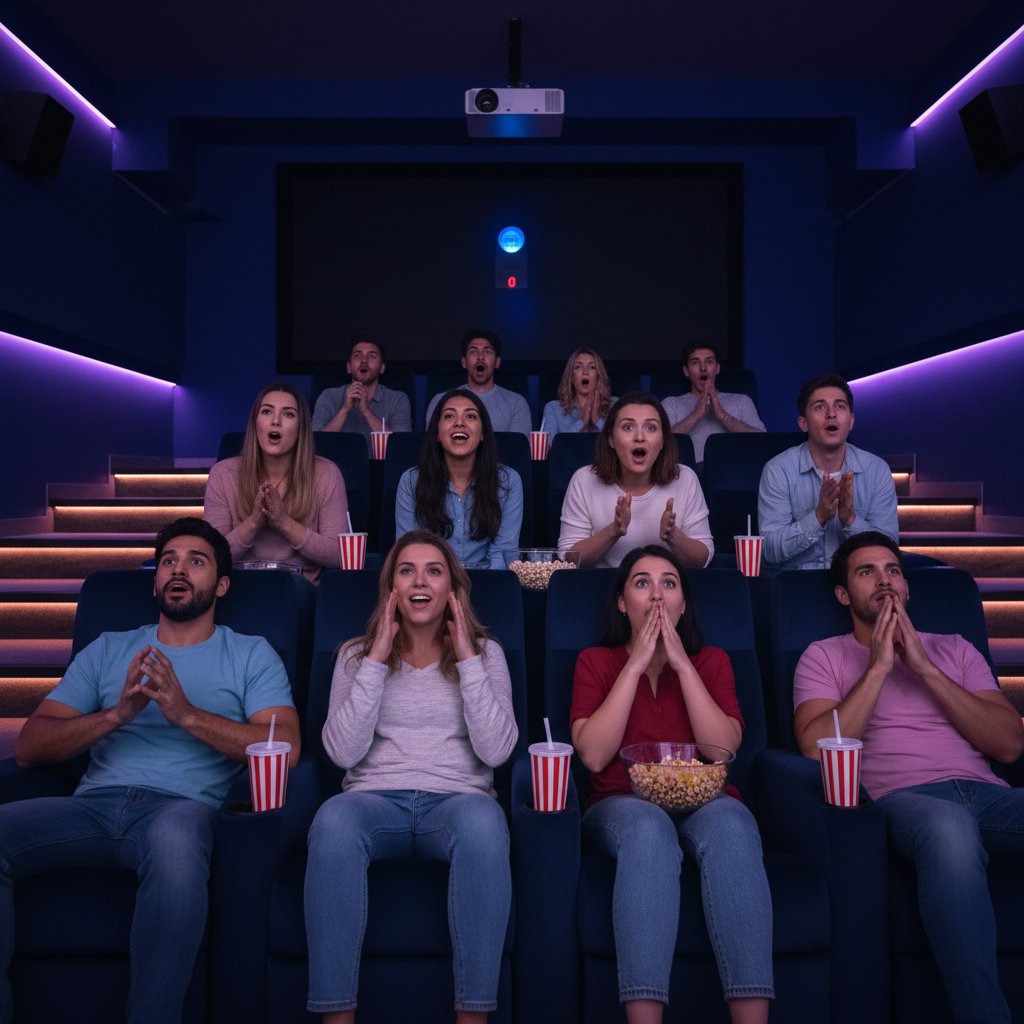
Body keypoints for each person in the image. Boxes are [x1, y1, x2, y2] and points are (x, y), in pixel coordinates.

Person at [0, 517, 300, 1024]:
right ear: (155, 580)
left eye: (196, 561)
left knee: (178, 841)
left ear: (221, 585)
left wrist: (185, 714)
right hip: (91, 806)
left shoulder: (250, 653)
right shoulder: (109, 649)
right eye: (168, 561)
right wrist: (114, 716)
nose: (179, 570)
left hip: (180, 810)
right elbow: (30, 746)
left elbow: (286, 747)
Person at [793, 531, 1023, 1024]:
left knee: (960, 821)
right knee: (948, 829)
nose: (884, 581)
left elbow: (1008, 744)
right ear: (842, 595)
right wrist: (878, 668)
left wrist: (925, 669)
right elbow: (815, 750)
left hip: (988, 795)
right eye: (866, 572)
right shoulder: (824, 655)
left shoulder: (956, 649)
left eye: (893, 570)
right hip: (906, 800)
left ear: (908, 587)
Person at [304, 530, 518, 1023]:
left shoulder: (486, 655)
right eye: (407, 571)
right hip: (374, 799)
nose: (420, 581)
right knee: (333, 822)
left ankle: (473, 1016)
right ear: (391, 589)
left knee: (486, 826)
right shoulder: (355, 656)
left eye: (434, 571)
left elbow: (498, 750)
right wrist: (376, 659)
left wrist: (466, 658)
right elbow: (341, 751)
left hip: (459, 801)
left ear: (452, 590)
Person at [571, 545, 773, 1024]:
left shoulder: (713, 662)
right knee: (648, 831)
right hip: (620, 804)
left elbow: (722, 749)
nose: (657, 595)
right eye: (642, 583)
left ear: (684, 603)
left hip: (706, 800)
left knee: (734, 826)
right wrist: (636, 664)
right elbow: (594, 755)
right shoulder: (595, 661)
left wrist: (682, 664)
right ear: (623, 603)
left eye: (669, 583)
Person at [204, 382, 349, 583]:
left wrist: (284, 523)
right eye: (266, 412)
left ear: (301, 428)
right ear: (255, 423)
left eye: (288, 414)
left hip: (300, 592)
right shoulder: (223, 473)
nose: (275, 421)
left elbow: (339, 556)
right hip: (237, 588)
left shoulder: (327, 473)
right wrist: (254, 523)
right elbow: (210, 556)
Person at [757, 372, 898, 570]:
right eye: (820, 407)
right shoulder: (777, 470)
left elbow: (889, 549)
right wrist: (819, 517)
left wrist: (850, 519)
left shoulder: (877, 470)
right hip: (797, 587)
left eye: (840, 406)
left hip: (856, 587)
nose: (831, 414)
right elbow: (769, 551)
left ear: (851, 421)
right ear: (803, 423)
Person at [558, 392, 713, 568]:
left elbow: (703, 559)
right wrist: (613, 531)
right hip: (602, 589)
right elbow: (568, 559)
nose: (639, 437)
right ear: (611, 439)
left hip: (665, 590)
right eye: (628, 427)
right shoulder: (583, 480)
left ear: (662, 440)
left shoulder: (685, 479)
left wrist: (674, 536)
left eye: (651, 428)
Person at [396, 389, 523, 569]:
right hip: (431, 585)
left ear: (482, 434)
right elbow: (408, 551)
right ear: (437, 434)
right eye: (449, 417)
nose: (459, 423)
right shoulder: (410, 481)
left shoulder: (508, 481)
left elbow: (503, 553)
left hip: (487, 585)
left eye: (470, 417)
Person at [661, 342, 765, 463]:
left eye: (709, 361)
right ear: (686, 371)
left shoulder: (741, 400)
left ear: (717, 368)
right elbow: (659, 442)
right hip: (686, 473)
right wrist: (696, 415)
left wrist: (722, 415)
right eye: (695, 362)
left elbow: (762, 440)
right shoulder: (671, 403)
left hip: (732, 472)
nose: (703, 368)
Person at [423, 329, 532, 434]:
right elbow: (433, 447)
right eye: (473, 352)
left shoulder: (516, 403)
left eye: (487, 352)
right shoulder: (441, 401)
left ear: (497, 362)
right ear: (464, 362)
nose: (480, 357)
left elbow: (517, 450)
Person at [311, 337, 412, 438]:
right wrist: (344, 409)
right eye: (357, 356)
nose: (364, 361)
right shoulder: (328, 397)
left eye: (372, 356)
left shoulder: (398, 400)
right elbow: (316, 442)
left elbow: (400, 446)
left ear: (381, 368)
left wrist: (366, 411)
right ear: (349, 367)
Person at [541, 347, 615, 434]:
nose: (585, 372)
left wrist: (597, 420)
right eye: (578, 367)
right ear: (572, 377)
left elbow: (620, 444)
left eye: (592, 367)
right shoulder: (553, 409)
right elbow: (550, 446)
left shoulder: (615, 405)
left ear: (599, 376)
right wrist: (581, 422)